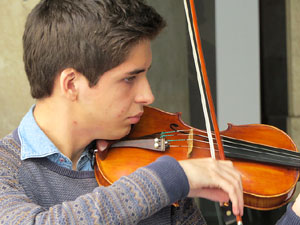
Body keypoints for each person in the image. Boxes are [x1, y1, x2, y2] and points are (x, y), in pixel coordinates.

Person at [0, 0, 294, 224]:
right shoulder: (6, 168)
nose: (148, 95)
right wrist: (172, 178)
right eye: (130, 78)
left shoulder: (152, 163)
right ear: (71, 84)